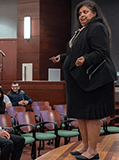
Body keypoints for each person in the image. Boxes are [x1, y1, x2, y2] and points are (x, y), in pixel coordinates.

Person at [50, 1, 117, 160]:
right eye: (79, 13)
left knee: (91, 115)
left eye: (85, 12)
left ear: (94, 13)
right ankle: (85, 146)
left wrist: (86, 59)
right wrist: (63, 57)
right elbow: (75, 54)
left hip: (93, 81)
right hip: (79, 82)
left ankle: (92, 151)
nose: (81, 16)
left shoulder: (97, 28)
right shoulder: (81, 31)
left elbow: (101, 53)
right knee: (81, 115)